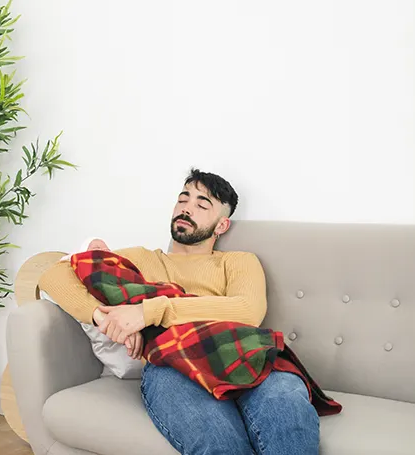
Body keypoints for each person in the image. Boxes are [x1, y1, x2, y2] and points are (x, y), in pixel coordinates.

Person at [38, 168, 320, 455]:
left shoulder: (238, 262)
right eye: (183, 199)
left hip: (246, 352)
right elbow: (53, 275)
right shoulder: (141, 259)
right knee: (218, 443)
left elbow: (247, 311)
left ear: (222, 226)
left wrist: (149, 312)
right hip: (173, 364)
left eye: (201, 204)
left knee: (288, 418)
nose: (186, 208)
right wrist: (105, 317)